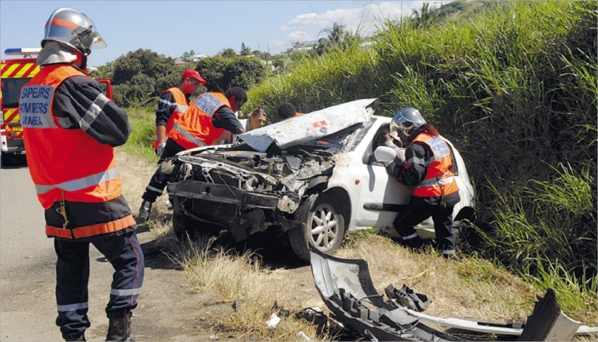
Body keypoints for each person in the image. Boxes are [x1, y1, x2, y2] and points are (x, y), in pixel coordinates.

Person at [19, 8, 144, 341]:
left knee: (71, 269)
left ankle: (74, 336)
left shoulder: (32, 88)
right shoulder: (71, 83)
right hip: (93, 197)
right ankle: (119, 332)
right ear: (78, 44)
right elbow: (117, 130)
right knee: (130, 259)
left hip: (55, 202)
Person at [137, 86, 248, 221]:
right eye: (238, 105)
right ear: (232, 99)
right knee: (185, 178)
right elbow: (238, 128)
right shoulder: (224, 108)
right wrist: (250, 140)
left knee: (163, 172)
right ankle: (181, 213)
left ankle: (146, 205)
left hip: (176, 137)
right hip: (190, 147)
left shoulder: (207, 95)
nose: (237, 109)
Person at [384, 107, 460, 259]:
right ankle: (449, 260)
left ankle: (422, 250)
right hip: (448, 193)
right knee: (444, 232)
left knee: (402, 224)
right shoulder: (436, 139)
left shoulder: (416, 147)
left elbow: (412, 177)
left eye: (399, 132)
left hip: (429, 197)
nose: (399, 136)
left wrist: (391, 167)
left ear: (408, 130)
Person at [154, 69, 206, 157]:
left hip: (177, 147)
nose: (197, 88)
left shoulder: (185, 100)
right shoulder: (170, 94)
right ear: (187, 80)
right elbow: (161, 119)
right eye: (196, 84)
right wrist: (161, 143)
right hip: (167, 145)